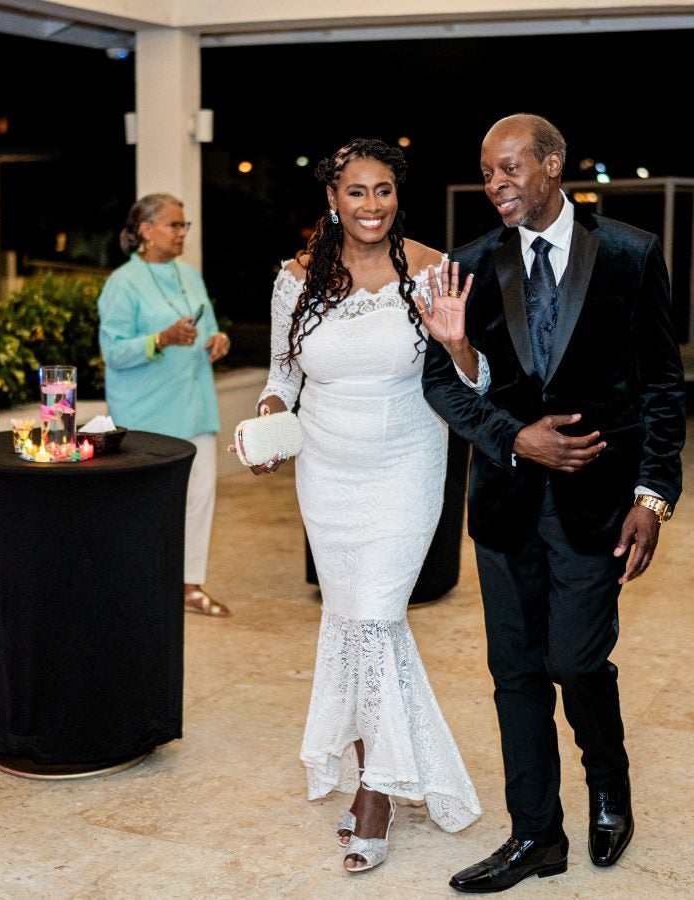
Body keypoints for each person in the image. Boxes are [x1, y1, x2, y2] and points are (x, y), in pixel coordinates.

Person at [420, 113, 687, 893]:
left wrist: (654, 495)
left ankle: (609, 781)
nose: (496, 185)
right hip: (504, 504)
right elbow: (445, 383)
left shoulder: (631, 253)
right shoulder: (469, 265)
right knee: (516, 672)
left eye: (510, 169)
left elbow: (664, 385)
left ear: (552, 165)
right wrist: (513, 438)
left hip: (600, 504)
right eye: (487, 172)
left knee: (574, 660)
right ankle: (536, 834)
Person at [245, 138, 481, 874]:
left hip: (406, 466)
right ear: (332, 199)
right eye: (356, 191)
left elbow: (476, 383)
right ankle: (377, 774)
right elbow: (285, 371)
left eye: (382, 191)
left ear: (396, 197)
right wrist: (267, 417)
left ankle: (376, 793)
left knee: (375, 617)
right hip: (326, 470)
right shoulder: (295, 279)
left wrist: (459, 340)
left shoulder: (436, 269)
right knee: (350, 622)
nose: (370, 205)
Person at [97, 192, 232, 618]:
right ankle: (140, 587)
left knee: (199, 496)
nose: (181, 233)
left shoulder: (189, 276)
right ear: (145, 231)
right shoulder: (122, 283)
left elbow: (208, 327)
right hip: (146, 412)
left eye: (184, 225)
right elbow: (113, 352)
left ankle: (189, 586)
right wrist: (161, 339)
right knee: (147, 506)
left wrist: (217, 340)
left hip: (194, 404)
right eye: (174, 225)